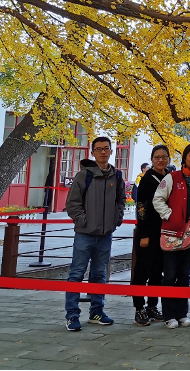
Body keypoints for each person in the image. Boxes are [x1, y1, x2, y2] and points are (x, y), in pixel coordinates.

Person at [64, 136, 126, 331]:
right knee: (76, 273)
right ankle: (72, 315)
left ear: (111, 151)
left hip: (105, 234)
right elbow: (72, 203)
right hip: (85, 233)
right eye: (99, 149)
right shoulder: (84, 176)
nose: (103, 152)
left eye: (106, 148)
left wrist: (116, 218)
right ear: (92, 152)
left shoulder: (116, 176)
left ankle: (97, 311)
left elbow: (121, 200)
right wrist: (83, 221)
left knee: (99, 274)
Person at [153, 142, 190, 329]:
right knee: (170, 274)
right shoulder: (172, 178)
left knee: (185, 274)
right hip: (173, 233)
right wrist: (170, 215)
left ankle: (182, 313)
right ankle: (169, 315)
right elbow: (158, 199)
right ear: (185, 158)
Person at [131, 146, 170, 326]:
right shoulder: (147, 179)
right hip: (148, 231)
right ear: (152, 159)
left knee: (157, 271)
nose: (160, 160)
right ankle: (139, 308)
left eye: (164, 157)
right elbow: (141, 207)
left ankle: (152, 306)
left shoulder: (169, 176)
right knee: (142, 270)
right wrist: (144, 233)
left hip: (163, 231)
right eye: (157, 157)